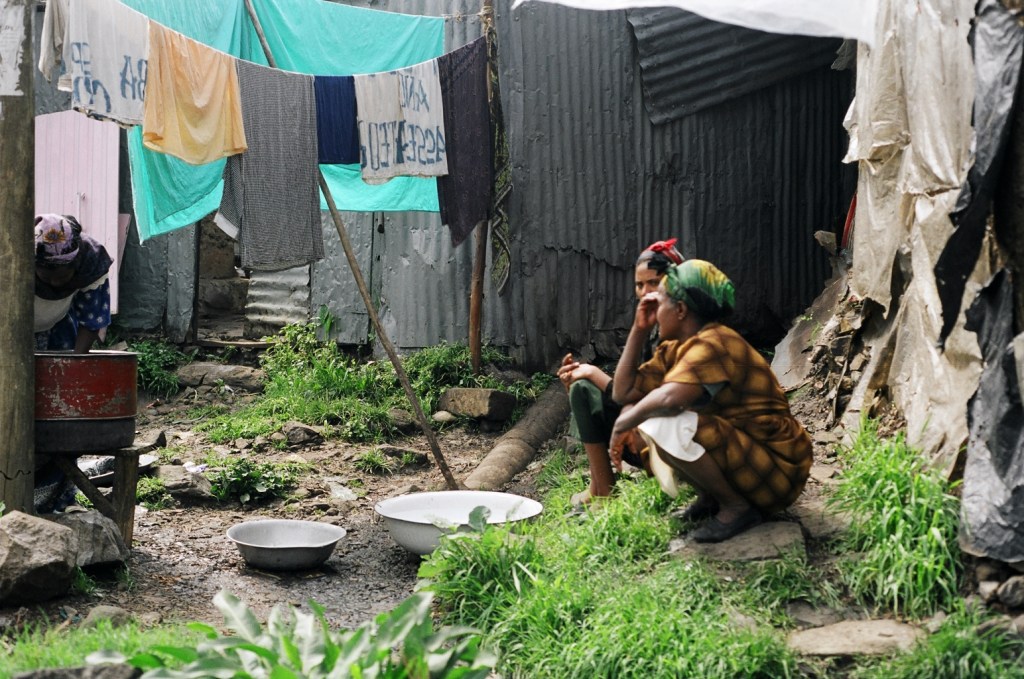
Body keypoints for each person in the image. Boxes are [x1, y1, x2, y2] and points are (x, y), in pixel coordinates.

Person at [609, 260, 812, 543]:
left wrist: (622, 423)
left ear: (681, 310)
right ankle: (712, 499)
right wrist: (639, 329)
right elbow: (623, 392)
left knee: (665, 423)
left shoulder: (715, 342)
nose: (653, 311)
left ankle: (737, 507)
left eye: (660, 304)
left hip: (780, 468)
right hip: (750, 455)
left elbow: (670, 399)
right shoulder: (676, 348)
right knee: (657, 422)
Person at [557, 238, 684, 506]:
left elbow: (665, 398)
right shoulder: (652, 326)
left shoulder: (684, 324)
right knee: (581, 389)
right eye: (640, 285)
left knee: (590, 383)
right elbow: (632, 389)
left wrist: (594, 373)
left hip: (679, 439)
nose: (646, 292)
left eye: (654, 282)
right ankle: (601, 486)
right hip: (648, 432)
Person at [34, 213, 113, 353]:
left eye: (63, 277)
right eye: (46, 278)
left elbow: (92, 318)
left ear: (76, 265)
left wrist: (76, 360)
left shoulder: (91, 261)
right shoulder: (12, 260)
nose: (55, 283)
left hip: (59, 323)